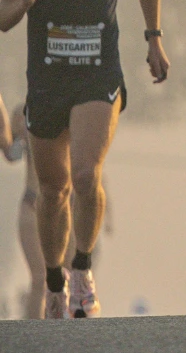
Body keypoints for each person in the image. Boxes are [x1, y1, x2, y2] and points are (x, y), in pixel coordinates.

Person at [0, 0, 170, 319]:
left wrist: (153, 39)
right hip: (49, 79)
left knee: (84, 175)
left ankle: (81, 270)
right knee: (52, 191)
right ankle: (54, 281)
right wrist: (24, 0)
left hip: (98, 74)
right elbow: (3, 17)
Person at [6, 102, 111, 319]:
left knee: (73, 274)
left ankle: (74, 333)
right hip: (32, 204)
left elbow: (93, 168)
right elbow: (12, 153)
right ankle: (35, 335)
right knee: (40, 277)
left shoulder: (77, 108)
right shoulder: (22, 112)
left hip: (67, 206)